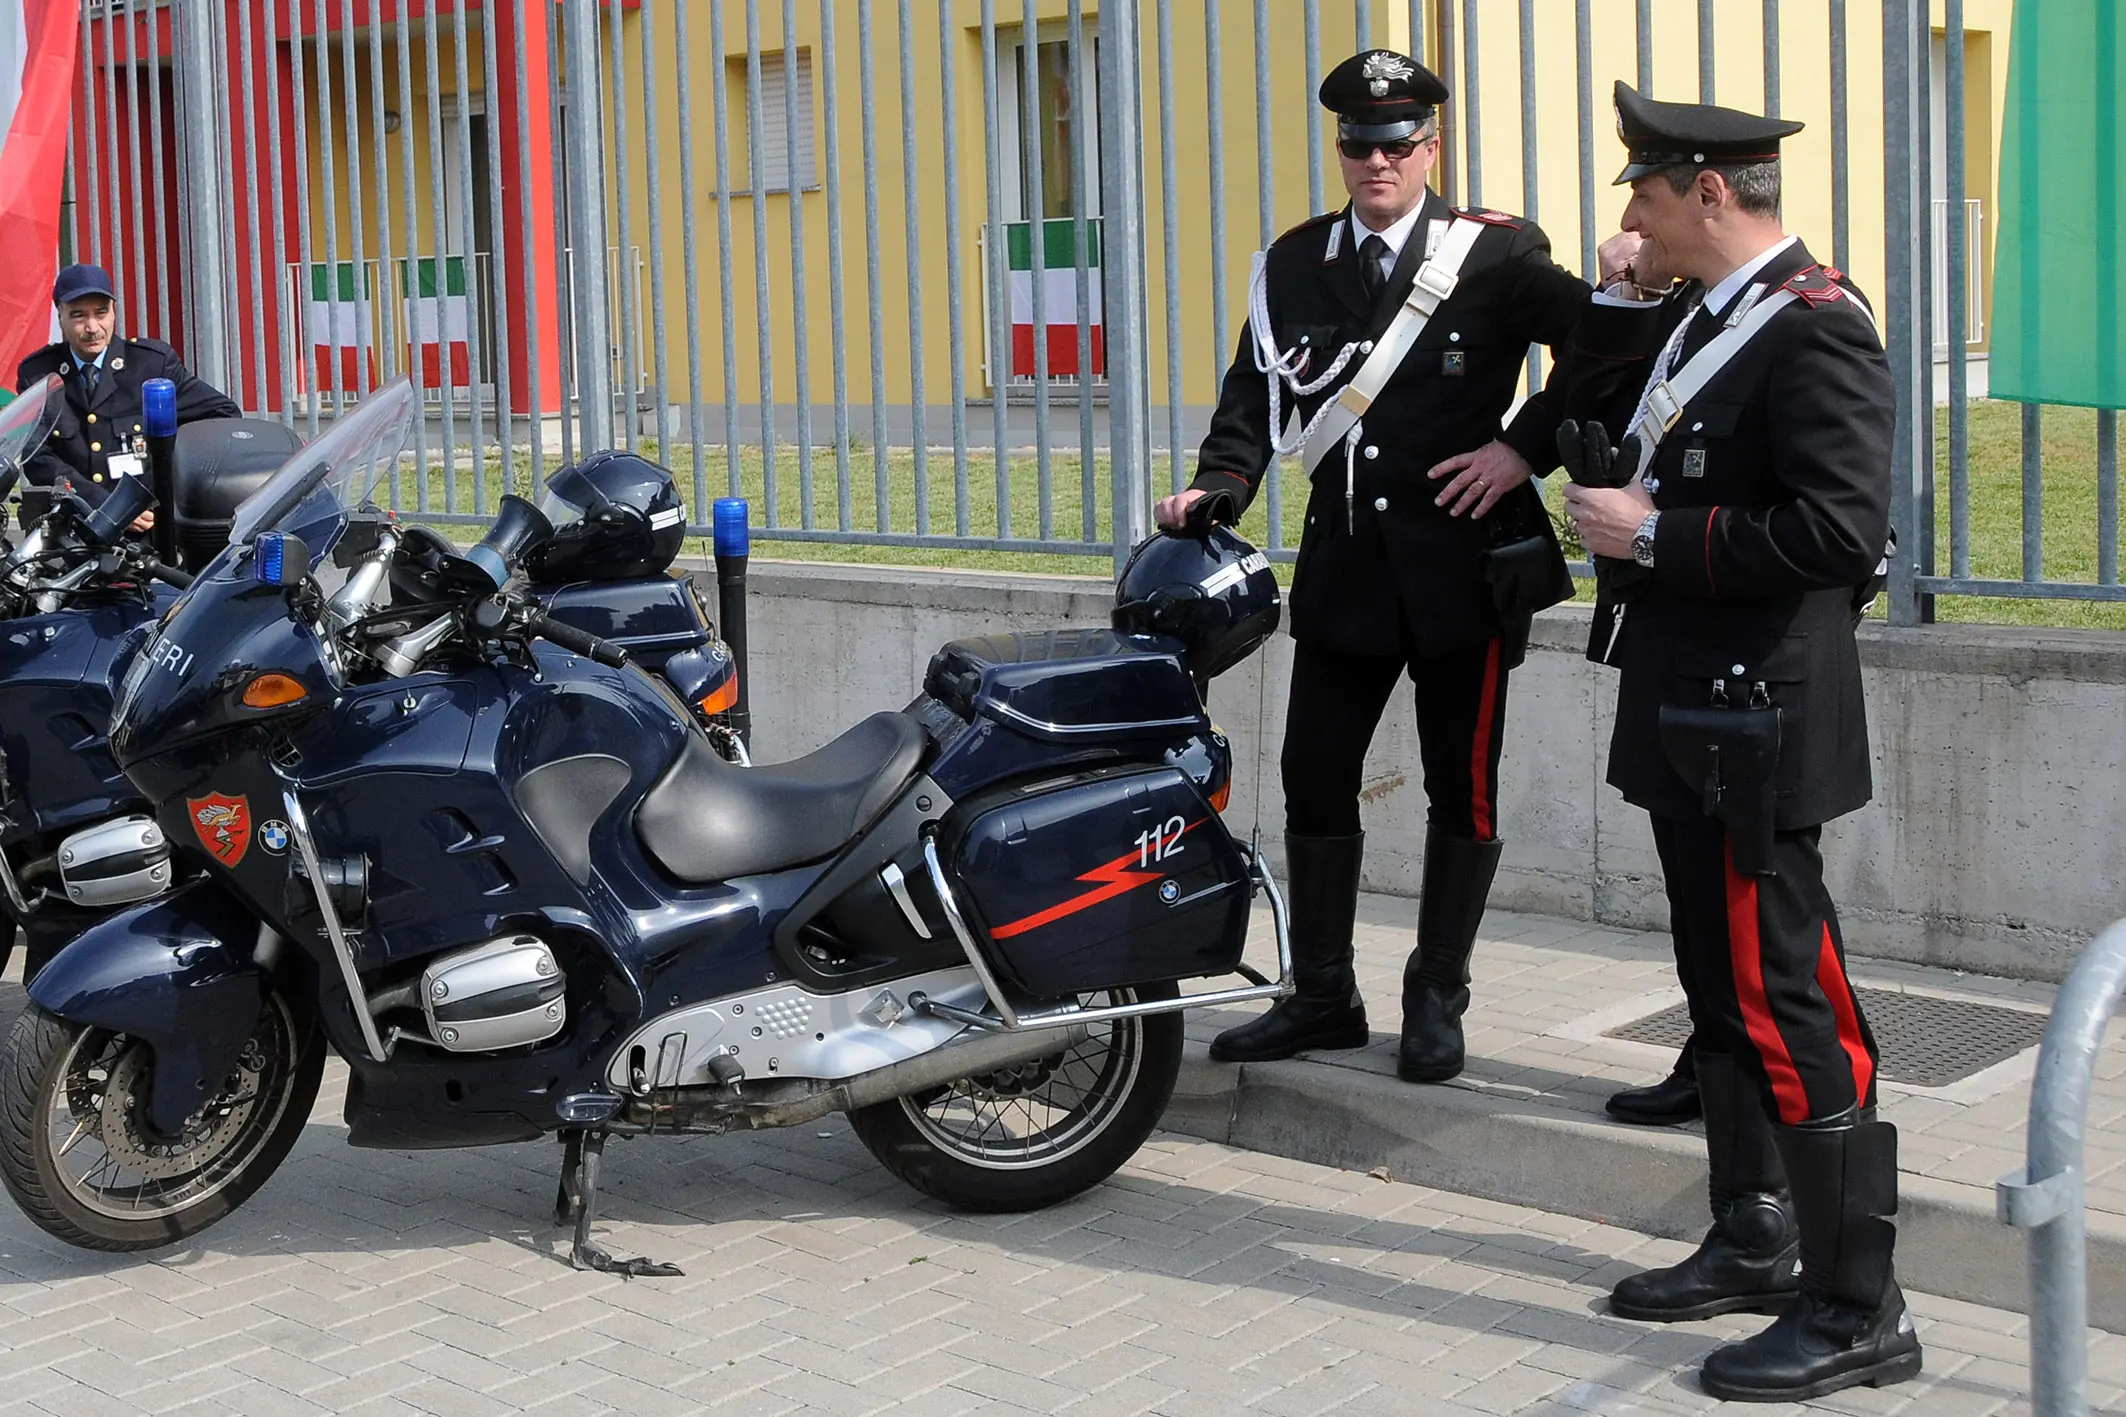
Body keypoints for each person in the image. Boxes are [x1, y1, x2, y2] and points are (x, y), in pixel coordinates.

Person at [1158, 48, 1626, 1085]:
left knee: (1462, 789)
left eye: (1398, 142)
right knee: (1312, 773)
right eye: (1359, 143)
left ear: (1430, 147)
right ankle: (1321, 992)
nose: (1377, 160)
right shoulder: (1293, 263)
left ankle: (1435, 995)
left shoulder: (1495, 256)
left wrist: (1521, 446)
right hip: (1349, 562)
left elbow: (1597, 351)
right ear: (1340, 149)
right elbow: (1253, 396)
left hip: (1464, 563)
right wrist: (1218, 485)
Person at [1559, 83, 1917, 1401]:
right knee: (1718, 989)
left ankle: (1857, 1305)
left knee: (1787, 1000)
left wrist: (1654, 537)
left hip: (1754, 714)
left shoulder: (1814, 330)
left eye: (1641, 194)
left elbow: (1840, 534)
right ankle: (1755, 1231)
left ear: (1708, 191)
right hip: (1689, 704)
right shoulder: (1702, 318)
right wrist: (1618, 307)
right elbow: (1600, 418)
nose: (1628, 215)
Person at [15, 263, 240, 519]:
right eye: (78, 316)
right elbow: (37, 457)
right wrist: (105, 505)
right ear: (60, 315)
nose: (92, 328)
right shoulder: (39, 374)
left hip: (148, 526)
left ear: (114, 312)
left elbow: (223, 415)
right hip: (73, 525)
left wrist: (171, 485)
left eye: (101, 313)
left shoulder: (151, 365)